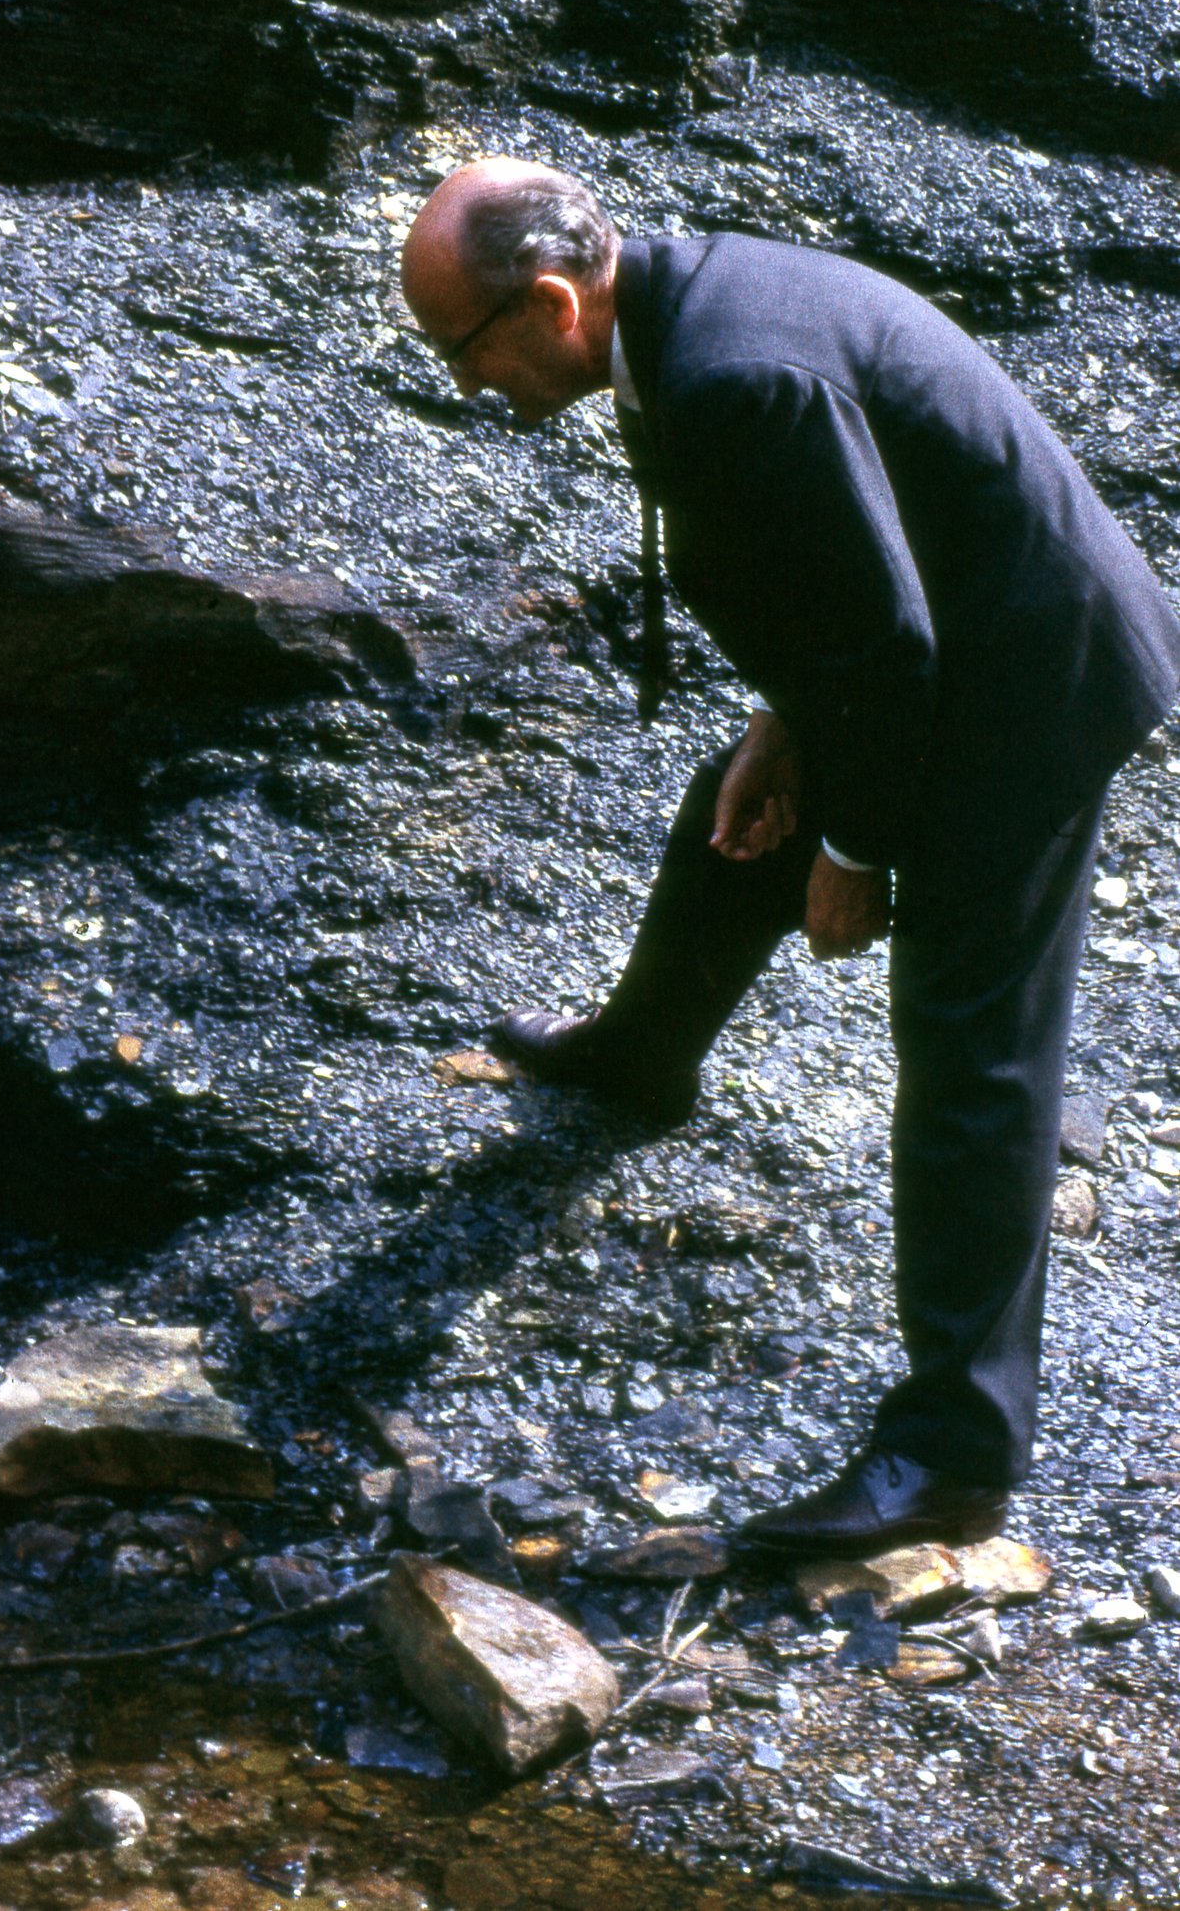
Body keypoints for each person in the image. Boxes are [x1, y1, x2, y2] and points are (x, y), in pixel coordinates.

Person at [399, 157, 1180, 1557]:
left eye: (466, 350)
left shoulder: (735, 375)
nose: (469, 385)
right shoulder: (678, 319)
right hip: (941, 630)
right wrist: (780, 722)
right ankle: (642, 1054)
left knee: (971, 1044)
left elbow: (884, 646)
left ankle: (955, 1456)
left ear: (558, 302)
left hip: (1030, 675)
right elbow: (845, 552)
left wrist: (859, 849)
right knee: (734, 815)